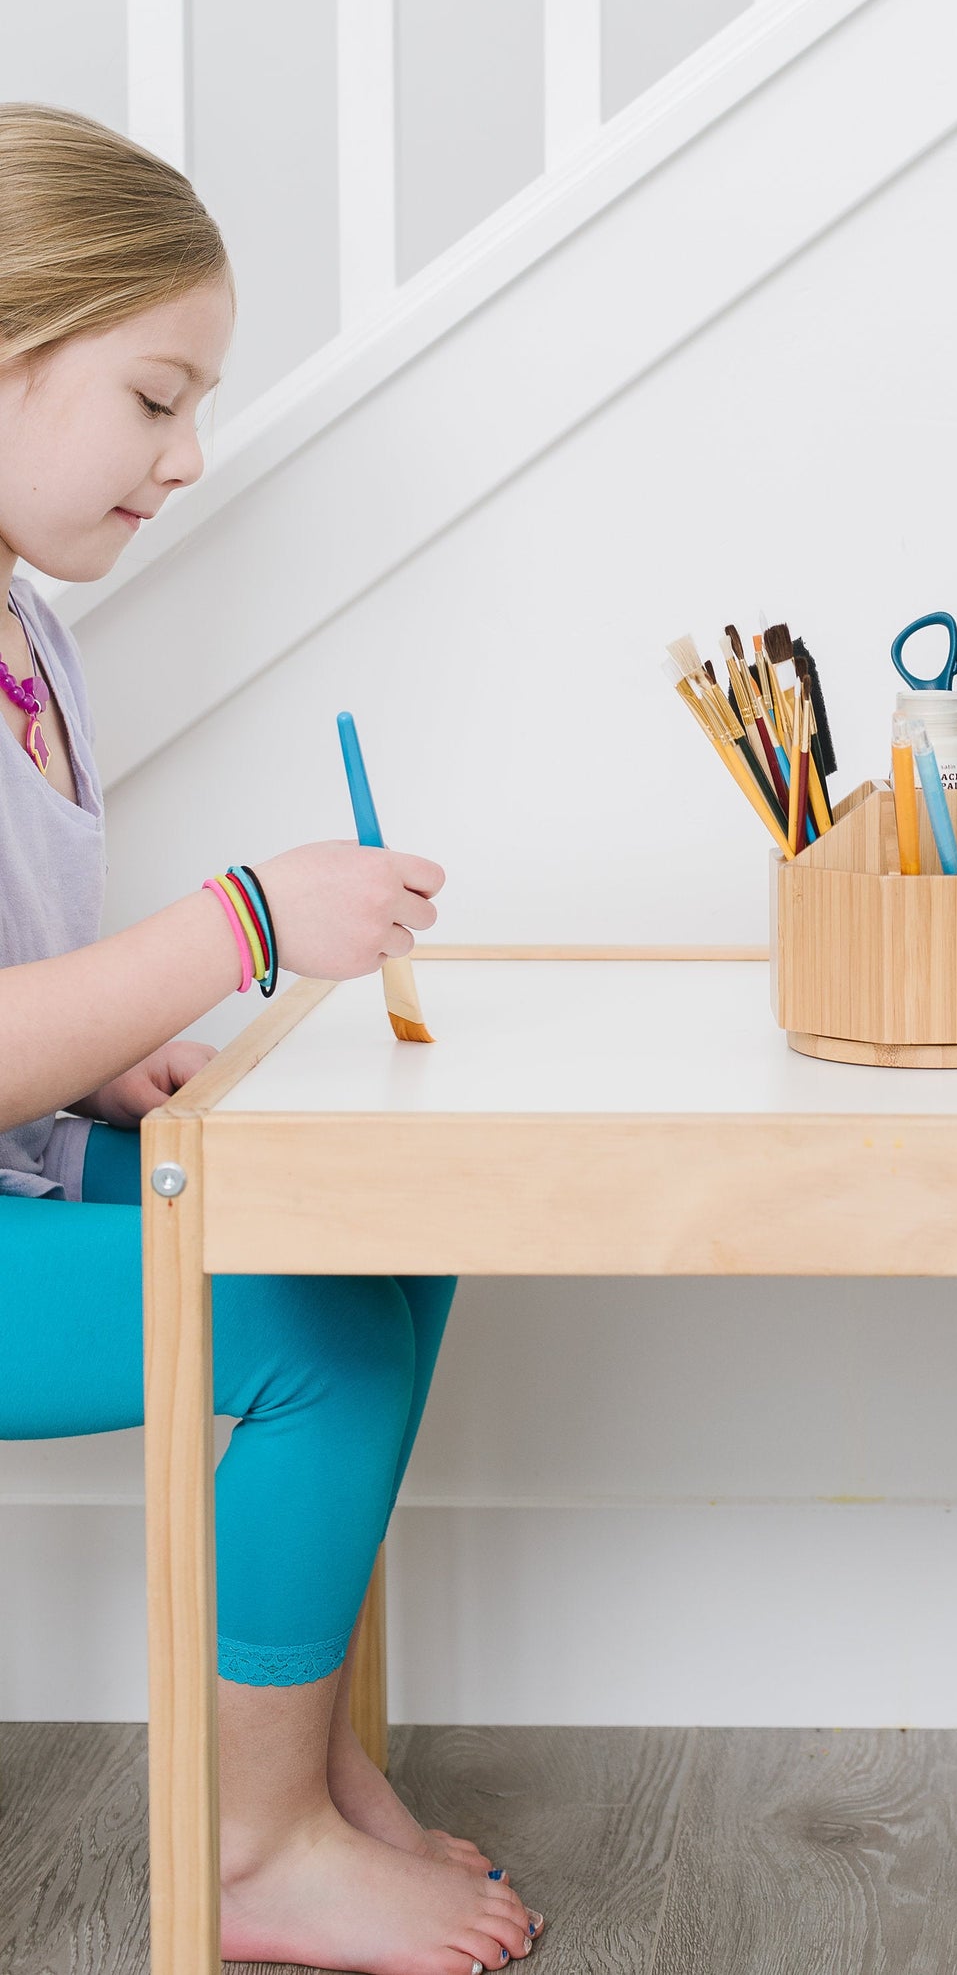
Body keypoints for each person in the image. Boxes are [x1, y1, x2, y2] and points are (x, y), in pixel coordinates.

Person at [0, 105, 540, 1974]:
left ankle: (295, 1774)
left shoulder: (23, 622)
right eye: (155, 399)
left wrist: (93, 1055)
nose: (190, 454)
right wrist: (232, 926)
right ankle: (248, 1851)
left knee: (393, 1201)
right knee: (307, 1322)